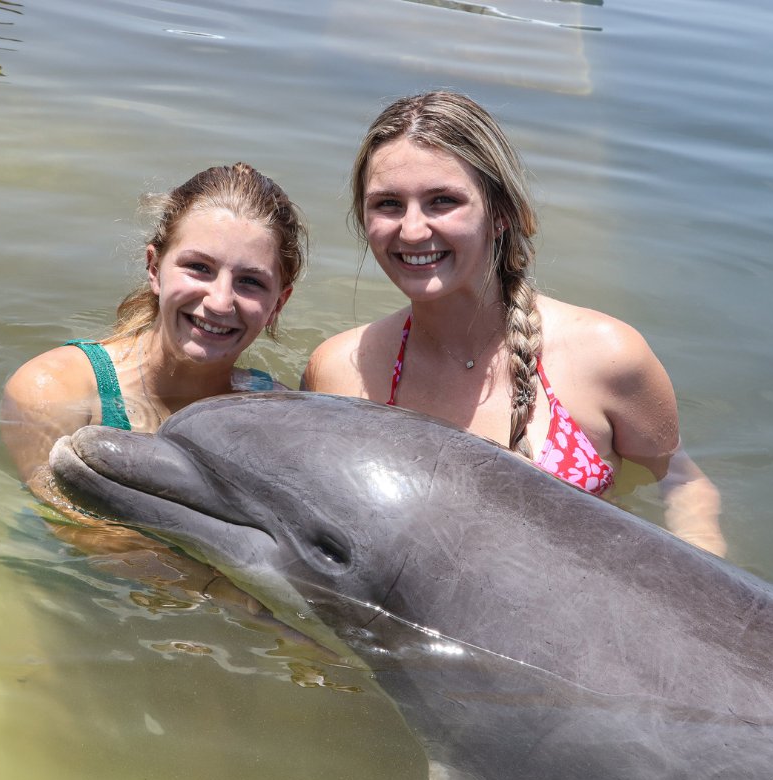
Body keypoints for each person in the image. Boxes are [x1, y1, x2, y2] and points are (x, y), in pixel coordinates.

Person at [302, 91, 725, 557]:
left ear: (500, 214)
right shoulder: (339, 371)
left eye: (442, 201)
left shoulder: (608, 356)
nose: (413, 230)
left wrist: (695, 574)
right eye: (388, 204)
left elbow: (680, 482)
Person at [2, 162, 306, 490]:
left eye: (250, 281)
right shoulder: (55, 389)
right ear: (154, 268)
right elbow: (73, 527)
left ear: (278, 303)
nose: (220, 301)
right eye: (199, 267)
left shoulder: (279, 418)